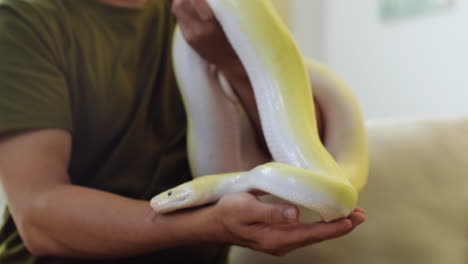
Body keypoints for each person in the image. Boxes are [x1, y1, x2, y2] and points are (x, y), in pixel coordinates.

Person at [0, 0, 365, 263]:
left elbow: (299, 163)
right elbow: (39, 217)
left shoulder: (196, 15)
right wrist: (205, 224)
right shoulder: (21, 19)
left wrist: (232, 61)